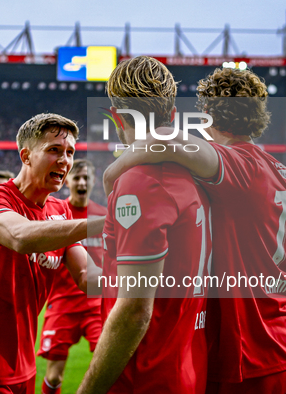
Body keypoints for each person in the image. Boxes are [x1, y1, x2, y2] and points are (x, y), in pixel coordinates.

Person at [103, 66, 286, 393]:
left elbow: (164, 138)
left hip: (250, 356)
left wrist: (111, 175)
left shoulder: (241, 166)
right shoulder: (280, 170)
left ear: (208, 117)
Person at [77, 56, 212, 394]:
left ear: (117, 116)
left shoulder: (142, 182)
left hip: (145, 378)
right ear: (174, 115)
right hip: (183, 368)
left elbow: (135, 311)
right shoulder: (196, 177)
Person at [0, 113, 104, 394]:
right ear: (26, 156)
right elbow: (20, 237)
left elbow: (85, 276)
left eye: (69, 152)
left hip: (22, 359)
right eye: (54, 150)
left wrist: (148, 278)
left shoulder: (59, 210)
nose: (65, 160)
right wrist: (108, 223)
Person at [38, 159, 106, 394]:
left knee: (109, 365)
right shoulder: (58, 214)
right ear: (67, 181)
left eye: (87, 178)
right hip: (62, 303)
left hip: (95, 304)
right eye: (77, 177)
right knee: (54, 376)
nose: (82, 182)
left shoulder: (103, 216)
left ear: (94, 182)